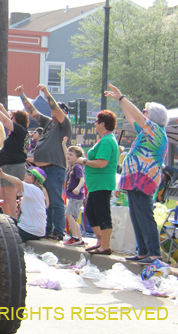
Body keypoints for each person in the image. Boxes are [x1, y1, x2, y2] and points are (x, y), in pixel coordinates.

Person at [104, 83, 169, 264]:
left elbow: (138, 117)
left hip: (144, 180)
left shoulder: (155, 130)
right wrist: (120, 101)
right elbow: (132, 118)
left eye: (145, 110)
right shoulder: (147, 131)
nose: (142, 112)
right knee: (136, 215)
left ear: (153, 116)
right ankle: (142, 252)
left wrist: (122, 97)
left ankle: (154, 254)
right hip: (135, 180)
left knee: (144, 215)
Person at [17, 83, 71, 240]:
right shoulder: (48, 123)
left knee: (55, 201)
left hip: (55, 168)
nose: (53, 112)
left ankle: (58, 231)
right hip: (42, 170)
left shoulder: (64, 124)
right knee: (44, 200)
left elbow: (56, 110)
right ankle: (47, 229)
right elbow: (33, 112)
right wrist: (22, 96)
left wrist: (46, 92)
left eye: (57, 110)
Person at [77, 109, 119, 256]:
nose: (94, 124)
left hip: (102, 184)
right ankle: (100, 241)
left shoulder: (107, 141)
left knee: (102, 214)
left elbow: (102, 163)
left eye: (96, 121)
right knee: (90, 212)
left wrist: (84, 161)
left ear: (102, 124)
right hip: (95, 185)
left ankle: (105, 246)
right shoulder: (103, 139)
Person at [0, 105, 29, 217]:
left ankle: (15, 220)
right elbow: (8, 119)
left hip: (13, 166)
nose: (10, 119)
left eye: (13, 117)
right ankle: (10, 219)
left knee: (10, 198)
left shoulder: (20, 130)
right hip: (7, 166)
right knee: (2, 199)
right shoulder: (18, 131)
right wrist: (1, 108)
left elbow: (6, 121)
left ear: (18, 120)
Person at [0, 166, 49, 243]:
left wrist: (3, 175)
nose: (25, 175)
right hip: (34, 229)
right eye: (26, 173)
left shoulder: (34, 188)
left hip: (30, 230)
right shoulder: (35, 191)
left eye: (29, 174)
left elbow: (18, 182)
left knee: (2, 235)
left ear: (36, 179)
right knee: (5, 221)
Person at [62, 146, 86, 246]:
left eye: (71, 155)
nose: (68, 156)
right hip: (71, 196)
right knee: (73, 217)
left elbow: (82, 179)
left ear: (77, 158)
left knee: (69, 214)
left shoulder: (77, 167)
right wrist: (64, 144)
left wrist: (78, 188)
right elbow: (65, 154)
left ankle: (75, 237)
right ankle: (79, 238)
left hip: (76, 196)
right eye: (68, 154)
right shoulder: (70, 166)